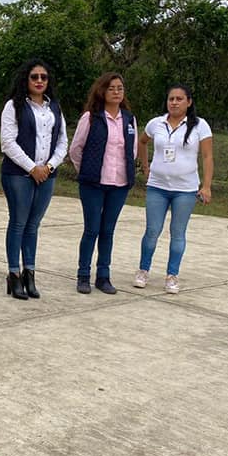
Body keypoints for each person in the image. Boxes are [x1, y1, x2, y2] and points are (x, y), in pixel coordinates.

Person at [134, 84, 214, 294]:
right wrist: (145, 166)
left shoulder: (200, 126)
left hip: (185, 189)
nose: (175, 103)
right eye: (171, 99)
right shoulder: (156, 123)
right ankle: (143, 269)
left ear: (189, 102)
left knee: (177, 232)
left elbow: (207, 156)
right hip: (158, 186)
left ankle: (172, 275)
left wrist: (206, 186)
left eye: (179, 99)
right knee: (152, 230)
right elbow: (142, 142)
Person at [0, 59, 68, 300]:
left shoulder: (55, 108)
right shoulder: (14, 106)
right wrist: (32, 168)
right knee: (18, 222)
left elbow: (62, 142)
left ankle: (30, 272)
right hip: (19, 174)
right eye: (34, 77)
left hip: (47, 175)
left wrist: (48, 167)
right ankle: (14, 274)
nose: (39, 81)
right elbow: (7, 143)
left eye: (44, 77)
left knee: (33, 225)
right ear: (26, 80)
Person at [69, 72, 138, 294]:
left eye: (120, 88)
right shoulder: (91, 117)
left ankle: (103, 276)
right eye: (112, 88)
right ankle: (83, 275)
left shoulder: (129, 119)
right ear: (102, 91)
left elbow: (133, 149)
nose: (117, 92)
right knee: (92, 229)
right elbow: (75, 149)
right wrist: (87, 171)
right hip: (93, 183)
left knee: (108, 230)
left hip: (119, 183)